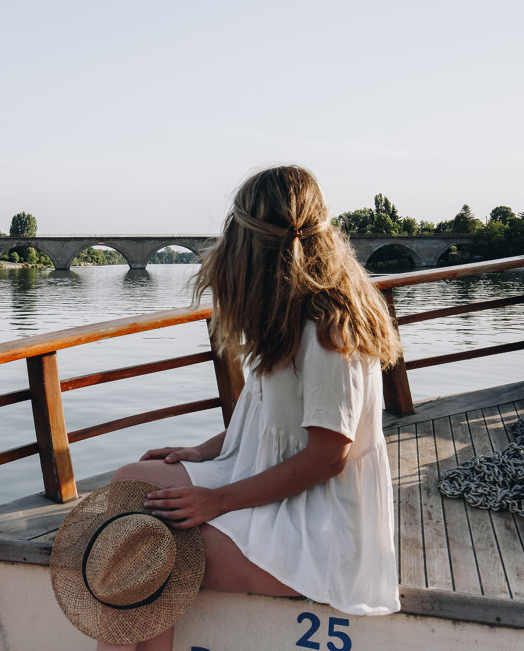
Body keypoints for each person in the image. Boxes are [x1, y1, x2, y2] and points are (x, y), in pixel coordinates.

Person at [99, 165, 403, 651]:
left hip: (318, 524)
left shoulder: (329, 331)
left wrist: (217, 502)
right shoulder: (285, 309)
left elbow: (328, 457)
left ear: (254, 245)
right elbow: (271, 416)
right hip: (265, 478)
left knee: (152, 547)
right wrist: (206, 450)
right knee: (128, 483)